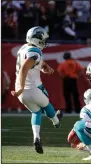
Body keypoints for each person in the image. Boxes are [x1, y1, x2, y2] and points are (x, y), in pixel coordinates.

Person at [11, 26, 63, 154]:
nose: (45, 41)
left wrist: (44, 65)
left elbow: (32, 61)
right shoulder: (35, 52)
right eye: (43, 39)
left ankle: (36, 138)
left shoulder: (23, 48)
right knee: (46, 105)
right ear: (37, 39)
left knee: (36, 111)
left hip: (21, 92)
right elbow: (25, 67)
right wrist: (22, 87)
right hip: (33, 88)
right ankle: (56, 122)